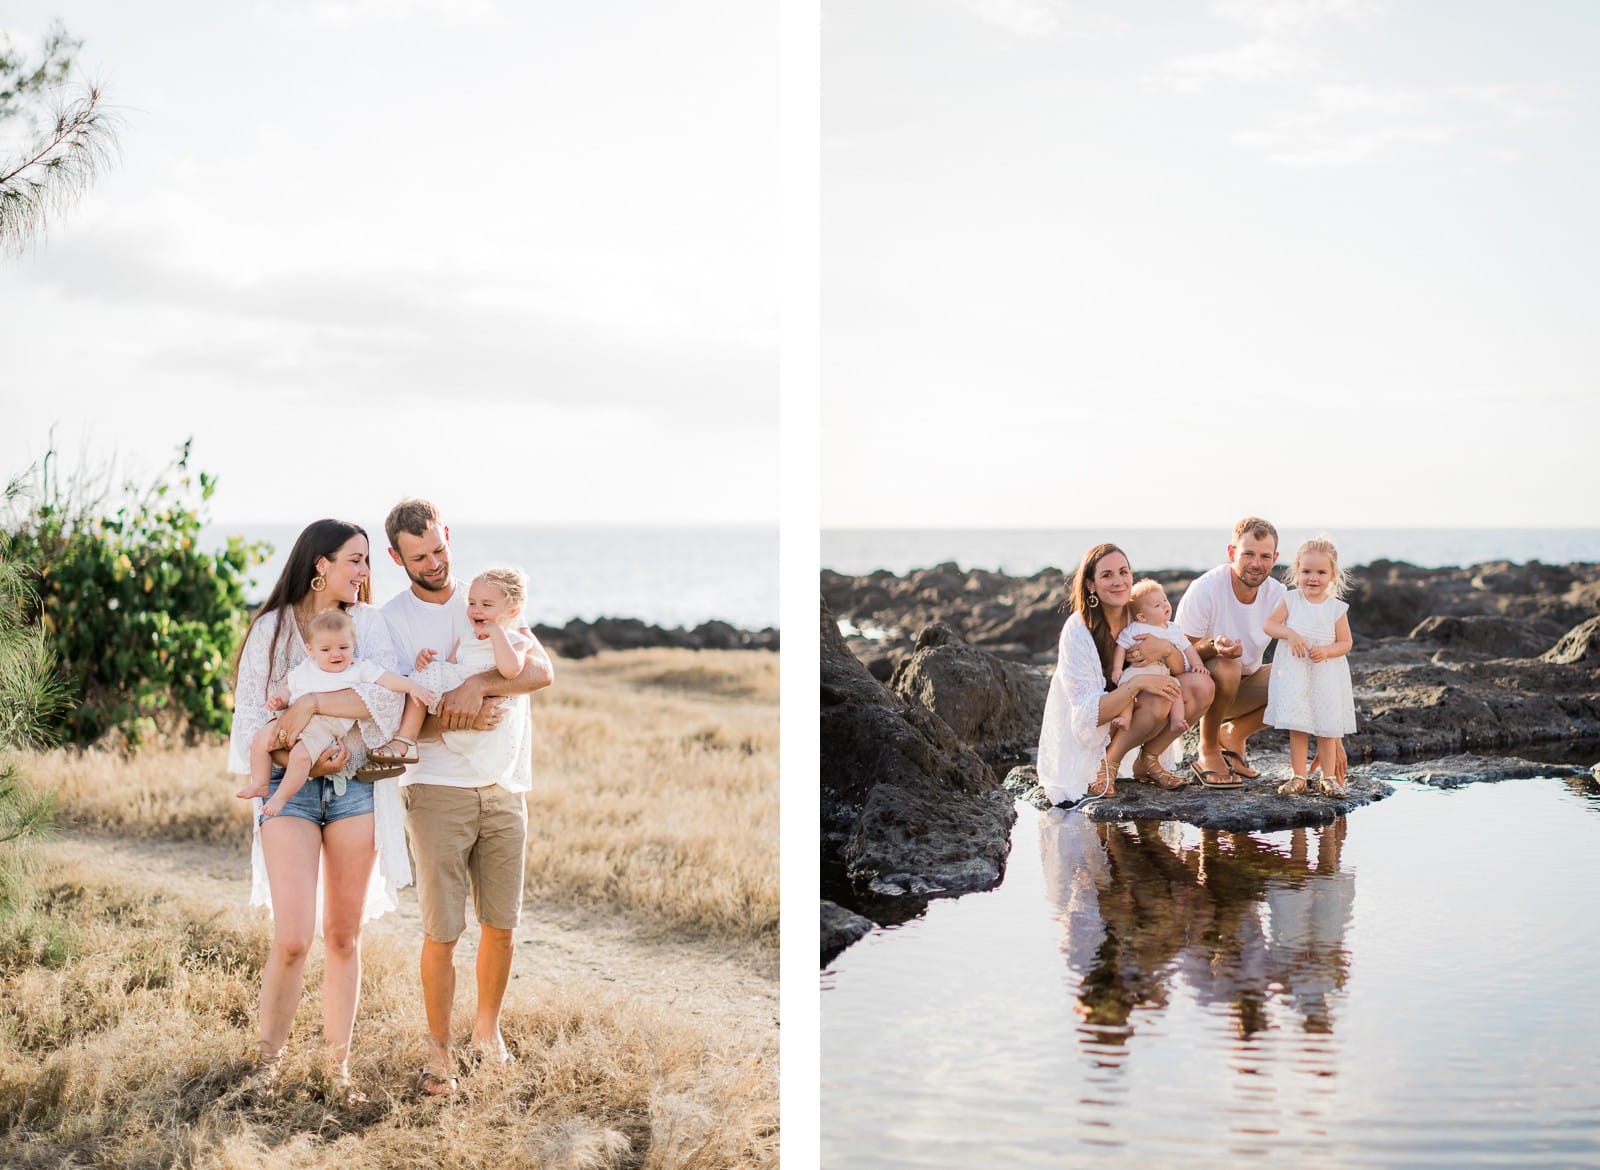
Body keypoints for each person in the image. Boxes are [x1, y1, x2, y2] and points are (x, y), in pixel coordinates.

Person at [226, 519, 413, 1101]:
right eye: (355, 560)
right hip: (290, 786)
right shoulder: (272, 631)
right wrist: (301, 743)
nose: (364, 573)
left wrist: (309, 702)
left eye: (366, 563)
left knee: (342, 935)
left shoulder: (370, 624)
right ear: (320, 565)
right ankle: (267, 1064)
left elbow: (383, 696)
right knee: (292, 938)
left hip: (357, 788)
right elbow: (253, 721)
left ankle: (338, 1070)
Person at [380, 500, 555, 1097]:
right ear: (396, 557)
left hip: (506, 787)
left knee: (501, 924)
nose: (434, 562)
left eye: (438, 548)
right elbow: (393, 719)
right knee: (442, 931)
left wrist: (477, 686)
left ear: (447, 535)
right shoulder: (392, 622)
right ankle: (439, 1054)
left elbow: (541, 671)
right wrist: (458, 712)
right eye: (418, 555)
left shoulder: (486, 597)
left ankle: (488, 1034)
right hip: (435, 790)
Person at [1037, 542, 1215, 805]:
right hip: (1103, 721)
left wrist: (1166, 649)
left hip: (1134, 714)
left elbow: (1180, 671)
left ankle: (1148, 760)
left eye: (1124, 572)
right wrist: (1138, 683)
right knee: (1158, 698)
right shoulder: (1079, 630)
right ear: (1090, 585)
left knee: (1202, 685)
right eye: (1107, 575)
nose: (1118, 581)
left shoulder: (1141, 614)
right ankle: (1108, 762)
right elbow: (1087, 715)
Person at [238, 608, 437, 816]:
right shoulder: (306, 668)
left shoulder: (358, 669)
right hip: (290, 717)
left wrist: (413, 687)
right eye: (325, 649)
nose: (336, 654)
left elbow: (388, 680)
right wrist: (279, 699)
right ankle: (261, 783)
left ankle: (281, 797)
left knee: (301, 756)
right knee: (260, 740)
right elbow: (290, 689)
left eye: (344, 647)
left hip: (324, 726)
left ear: (354, 645)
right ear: (310, 649)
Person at [375, 566, 534, 781]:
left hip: (490, 724)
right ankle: (406, 740)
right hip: (456, 713)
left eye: (486, 605)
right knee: (421, 679)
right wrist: (427, 662)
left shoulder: (516, 640)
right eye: (471, 603)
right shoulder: (467, 635)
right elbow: (450, 666)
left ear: (513, 612)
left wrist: (496, 634)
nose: (476, 610)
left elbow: (510, 670)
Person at [1168, 517, 1288, 788]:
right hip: (1197, 693)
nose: (1256, 563)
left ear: (1275, 558)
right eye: (1248, 554)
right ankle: (1208, 749)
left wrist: (1334, 740)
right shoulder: (1206, 590)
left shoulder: (1278, 594)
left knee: (1302, 677)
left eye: (1264, 556)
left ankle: (1235, 734)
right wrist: (1213, 647)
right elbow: (1176, 656)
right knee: (1227, 665)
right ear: (1232, 552)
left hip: (1243, 688)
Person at [1262, 536, 1356, 796]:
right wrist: (1289, 633)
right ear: (1296, 572)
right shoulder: (1291, 601)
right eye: (1306, 571)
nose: (1312, 578)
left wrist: (1326, 650)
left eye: (1320, 572)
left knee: (1327, 727)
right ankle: (1298, 776)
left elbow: (1346, 642)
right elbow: (1269, 625)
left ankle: (1328, 778)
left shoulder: (1336, 608)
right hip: (1296, 672)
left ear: (1332, 575)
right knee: (1298, 725)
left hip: (1326, 673)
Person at [1111, 579, 1208, 735]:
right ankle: (1125, 717)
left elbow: (1188, 648)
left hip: (1162, 671)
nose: (1165, 605)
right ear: (1142, 617)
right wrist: (1117, 668)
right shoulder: (1136, 628)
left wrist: (1199, 665)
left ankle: (1177, 720)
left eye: (1165, 600)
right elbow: (1121, 646)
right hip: (1138, 670)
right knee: (1125, 686)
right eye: (1157, 605)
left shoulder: (1174, 629)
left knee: (1175, 689)